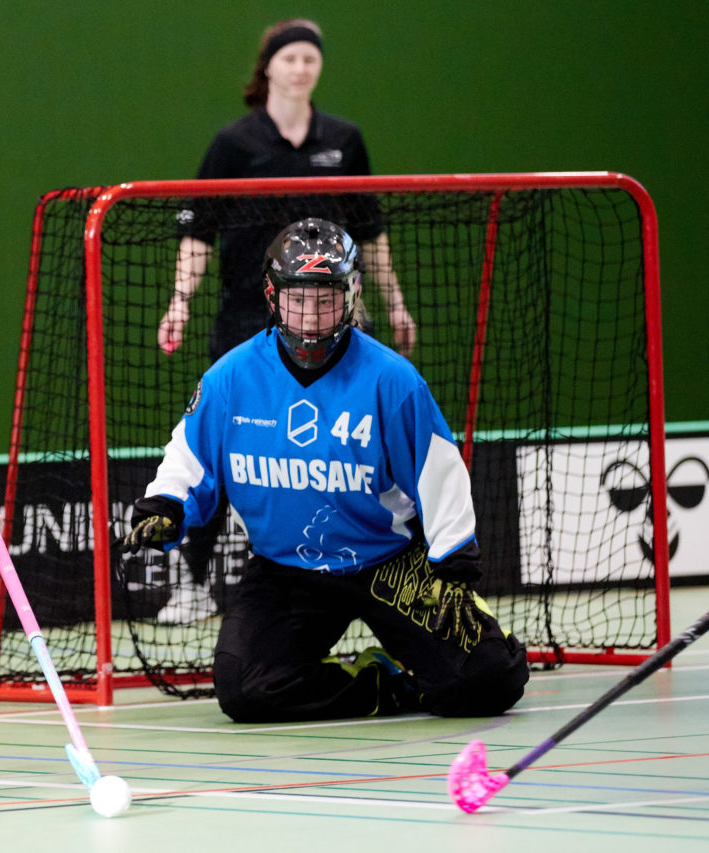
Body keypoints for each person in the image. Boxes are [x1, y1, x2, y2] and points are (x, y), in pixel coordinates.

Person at [125, 218, 528, 722]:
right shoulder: (231, 378)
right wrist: (166, 507)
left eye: (326, 299)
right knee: (244, 689)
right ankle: (386, 685)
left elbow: (438, 471)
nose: (311, 319)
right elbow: (190, 458)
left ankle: (463, 651)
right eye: (298, 299)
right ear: (273, 297)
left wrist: (453, 568)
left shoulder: (392, 380)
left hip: (391, 565)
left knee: (490, 677)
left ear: (352, 294)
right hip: (287, 571)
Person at [153, 18, 418, 622]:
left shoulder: (344, 141)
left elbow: (370, 232)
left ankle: (383, 566)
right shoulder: (234, 144)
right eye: (290, 57)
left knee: (357, 442)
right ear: (267, 67)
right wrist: (179, 302)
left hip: (338, 328)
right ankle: (191, 584)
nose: (301, 67)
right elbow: (197, 234)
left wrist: (393, 303)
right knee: (224, 446)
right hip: (248, 320)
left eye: (310, 59)